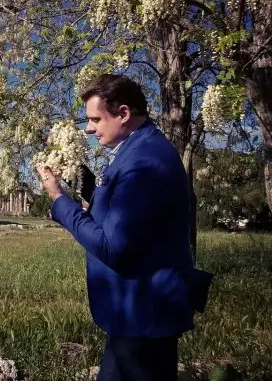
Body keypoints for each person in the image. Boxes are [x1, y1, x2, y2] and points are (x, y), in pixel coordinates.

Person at [36, 74, 213, 381]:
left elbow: (112, 246)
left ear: (124, 113)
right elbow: (114, 201)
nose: (88, 128)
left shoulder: (146, 161)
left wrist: (58, 199)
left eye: (95, 119)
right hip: (131, 313)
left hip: (145, 314)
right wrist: (74, 169)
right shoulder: (138, 149)